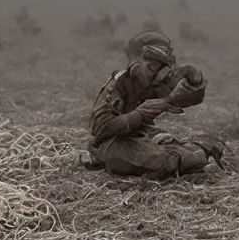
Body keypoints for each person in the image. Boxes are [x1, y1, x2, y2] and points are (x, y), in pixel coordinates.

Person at [86, 31, 223, 178]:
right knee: (161, 160)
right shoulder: (117, 85)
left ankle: (186, 156)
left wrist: (195, 82)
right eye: (151, 67)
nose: (155, 74)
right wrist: (140, 114)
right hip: (109, 142)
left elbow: (184, 99)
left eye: (159, 69)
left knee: (204, 144)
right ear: (137, 62)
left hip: (141, 135)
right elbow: (99, 128)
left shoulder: (153, 82)